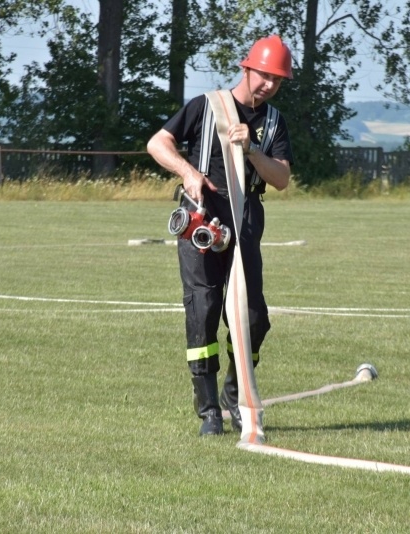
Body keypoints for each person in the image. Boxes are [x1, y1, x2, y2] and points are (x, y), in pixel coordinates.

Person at [146, 36, 294, 436]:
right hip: (201, 223)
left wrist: (252, 151)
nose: (268, 85)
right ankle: (208, 407)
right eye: (264, 75)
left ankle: (235, 392)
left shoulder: (274, 122)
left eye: (277, 80)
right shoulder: (205, 106)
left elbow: (280, 179)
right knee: (204, 307)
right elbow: (158, 143)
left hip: (245, 224)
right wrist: (187, 173)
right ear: (247, 68)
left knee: (253, 318)